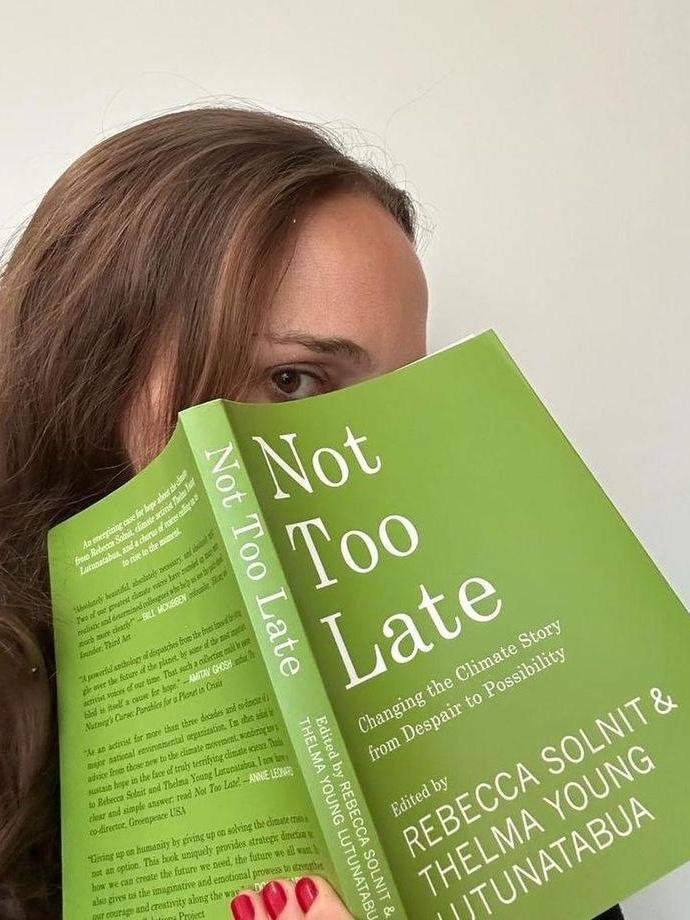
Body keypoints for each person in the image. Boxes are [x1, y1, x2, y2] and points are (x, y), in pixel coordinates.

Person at [0, 105, 624, 920]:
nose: (372, 455)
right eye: (293, 380)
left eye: (404, 397)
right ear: (93, 372)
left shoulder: (470, 682)